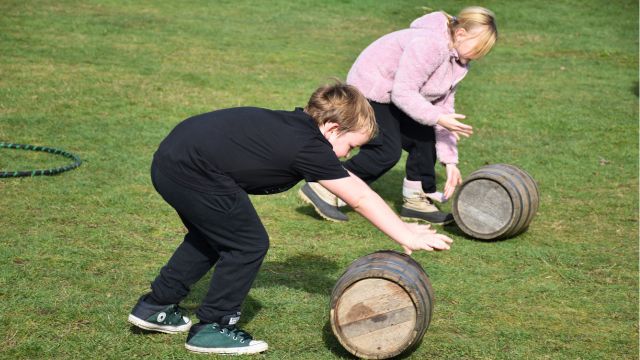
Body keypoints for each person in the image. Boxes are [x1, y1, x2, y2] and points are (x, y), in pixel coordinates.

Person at [127, 81, 453, 355]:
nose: (347, 156)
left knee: (213, 238)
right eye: (351, 146)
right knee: (248, 244)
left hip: (173, 157)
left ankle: (156, 307)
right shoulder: (309, 147)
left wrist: (401, 225)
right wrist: (405, 236)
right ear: (333, 128)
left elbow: (353, 185)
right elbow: (360, 196)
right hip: (194, 168)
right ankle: (214, 326)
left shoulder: (299, 128)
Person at [299, 7, 498, 225]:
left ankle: (416, 201)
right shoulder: (431, 45)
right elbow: (403, 92)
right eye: (478, 48)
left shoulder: (458, 62)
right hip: (371, 90)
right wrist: (438, 118)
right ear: (460, 34)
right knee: (385, 150)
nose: (479, 55)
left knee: (423, 138)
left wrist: (450, 162)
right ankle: (326, 185)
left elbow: (443, 110)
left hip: (395, 95)